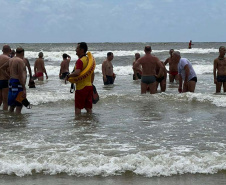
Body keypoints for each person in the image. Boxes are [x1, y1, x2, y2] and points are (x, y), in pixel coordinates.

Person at [65, 42, 94, 115]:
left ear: (82, 50)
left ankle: (78, 125)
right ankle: (89, 122)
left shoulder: (80, 61)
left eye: (77, 48)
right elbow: (92, 73)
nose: (75, 50)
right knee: (88, 108)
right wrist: (91, 83)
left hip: (81, 88)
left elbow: (77, 72)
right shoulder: (88, 60)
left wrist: (69, 76)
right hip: (89, 86)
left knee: (78, 109)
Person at [8, 47, 27, 113]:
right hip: (18, 83)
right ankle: (17, 121)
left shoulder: (11, 59)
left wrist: (9, 76)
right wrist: (24, 88)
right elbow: (20, 75)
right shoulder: (20, 61)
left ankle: (10, 119)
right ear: (22, 53)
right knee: (19, 104)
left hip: (11, 82)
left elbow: (3, 68)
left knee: (12, 105)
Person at [0, 45, 11, 111]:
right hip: (5, 80)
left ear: (2, 50)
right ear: (10, 50)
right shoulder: (9, 59)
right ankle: (4, 117)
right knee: (5, 102)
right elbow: (9, 71)